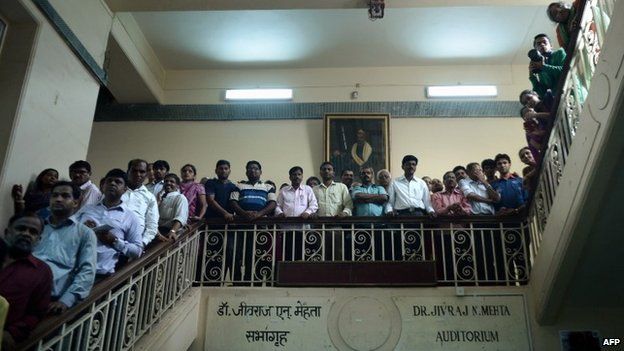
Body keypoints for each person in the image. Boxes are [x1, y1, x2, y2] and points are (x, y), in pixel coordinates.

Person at [33, 181, 97, 313]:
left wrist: (66, 300)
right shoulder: (37, 227)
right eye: (54, 195)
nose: (58, 199)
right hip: (21, 290)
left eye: (65, 196)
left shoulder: (85, 233)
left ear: (75, 202)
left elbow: (87, 270)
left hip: (51, 300)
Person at [74, 169, 143, 278]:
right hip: (74, 270)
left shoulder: (130, 217)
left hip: (101, 276)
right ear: (103, 186)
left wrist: (114, 241)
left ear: (125, 189)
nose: (112, 183)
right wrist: (81, 229)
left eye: (118, 182)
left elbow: (137, 251)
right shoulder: (87, 209)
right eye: (109, 181)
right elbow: (67, 230)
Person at [0, 213, 53, 347]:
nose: (26, 234)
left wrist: (12, 333)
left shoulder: (42, 272)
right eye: (21, 229)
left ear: (39, 239)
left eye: (33, 232)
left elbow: (36, 313)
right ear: (7, 232)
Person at [275, 167, 318, 260]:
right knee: (287, 256)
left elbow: (314, 204)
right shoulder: (284, 190)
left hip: (303, 229)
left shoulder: (308, 189)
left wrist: (307, 212)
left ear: (302, 176)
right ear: (290, 177)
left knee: (302, 256)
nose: (297, 177)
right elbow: (277, 206)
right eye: (294, 174)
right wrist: (280, 213)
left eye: (299, 174)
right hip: (287, 229)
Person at [122, 159, 159, 246]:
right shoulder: (117, 191)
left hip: (133, 243)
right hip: (109, 239)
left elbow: (152, 225)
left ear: (146, 174)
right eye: (134, 170)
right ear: (128, 172)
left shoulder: (150, 197)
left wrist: (142, 243)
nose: (138, 174)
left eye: (142, 172)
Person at [529, 34, 566, 99]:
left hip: (571, 91)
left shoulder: (559, 53)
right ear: (536, 49)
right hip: (559, 99)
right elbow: (542, 93)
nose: (542, 45)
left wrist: (543, 67)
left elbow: (565, 70)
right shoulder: (539, 66)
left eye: (545, 42)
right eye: (538, 44)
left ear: (551, 46)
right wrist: (532, 76)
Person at [157, 174, 189, 241]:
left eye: (172, 182)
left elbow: (180, 217)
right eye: (166, 181)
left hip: (170, 231)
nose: (168, 183)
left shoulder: (180, 197)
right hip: (157, 231)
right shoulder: (160, 198)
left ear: (177, 185)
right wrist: (158, 202)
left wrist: (173, 231)